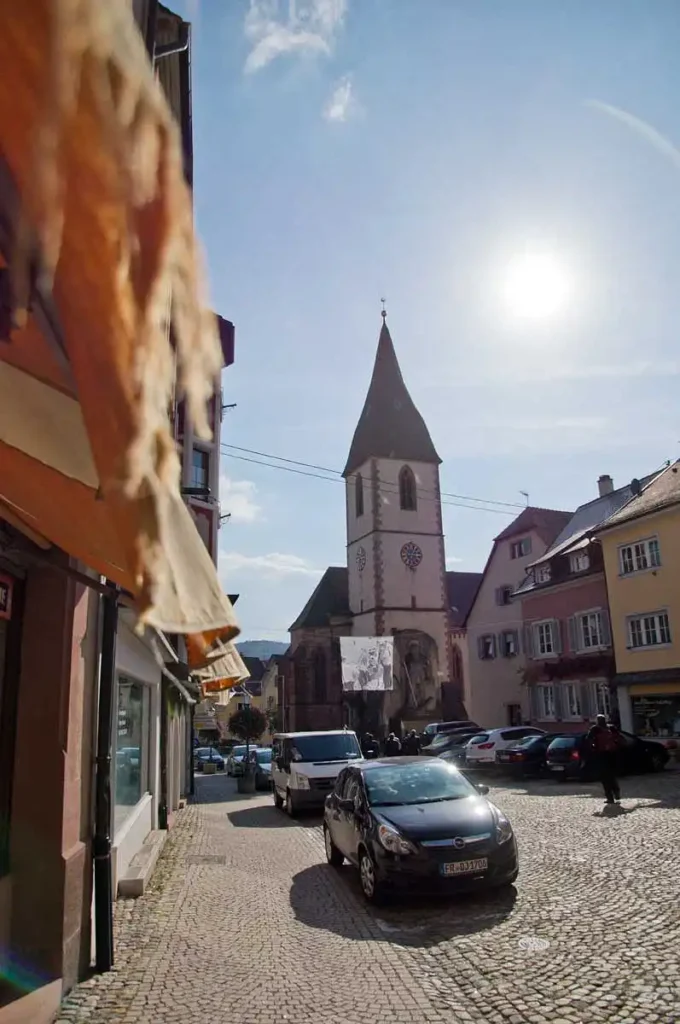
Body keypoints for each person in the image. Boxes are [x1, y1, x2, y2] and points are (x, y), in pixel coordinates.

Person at [586, 714, 623, 804]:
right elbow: (619, 738)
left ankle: (610, 797)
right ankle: (616, 792)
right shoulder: (611, 728)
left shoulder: (595, 729)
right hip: (612, 754)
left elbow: (588, 740)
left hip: (601, 755)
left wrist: (593, 748)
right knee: (612, 775)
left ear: (597, 721)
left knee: (605, 778)